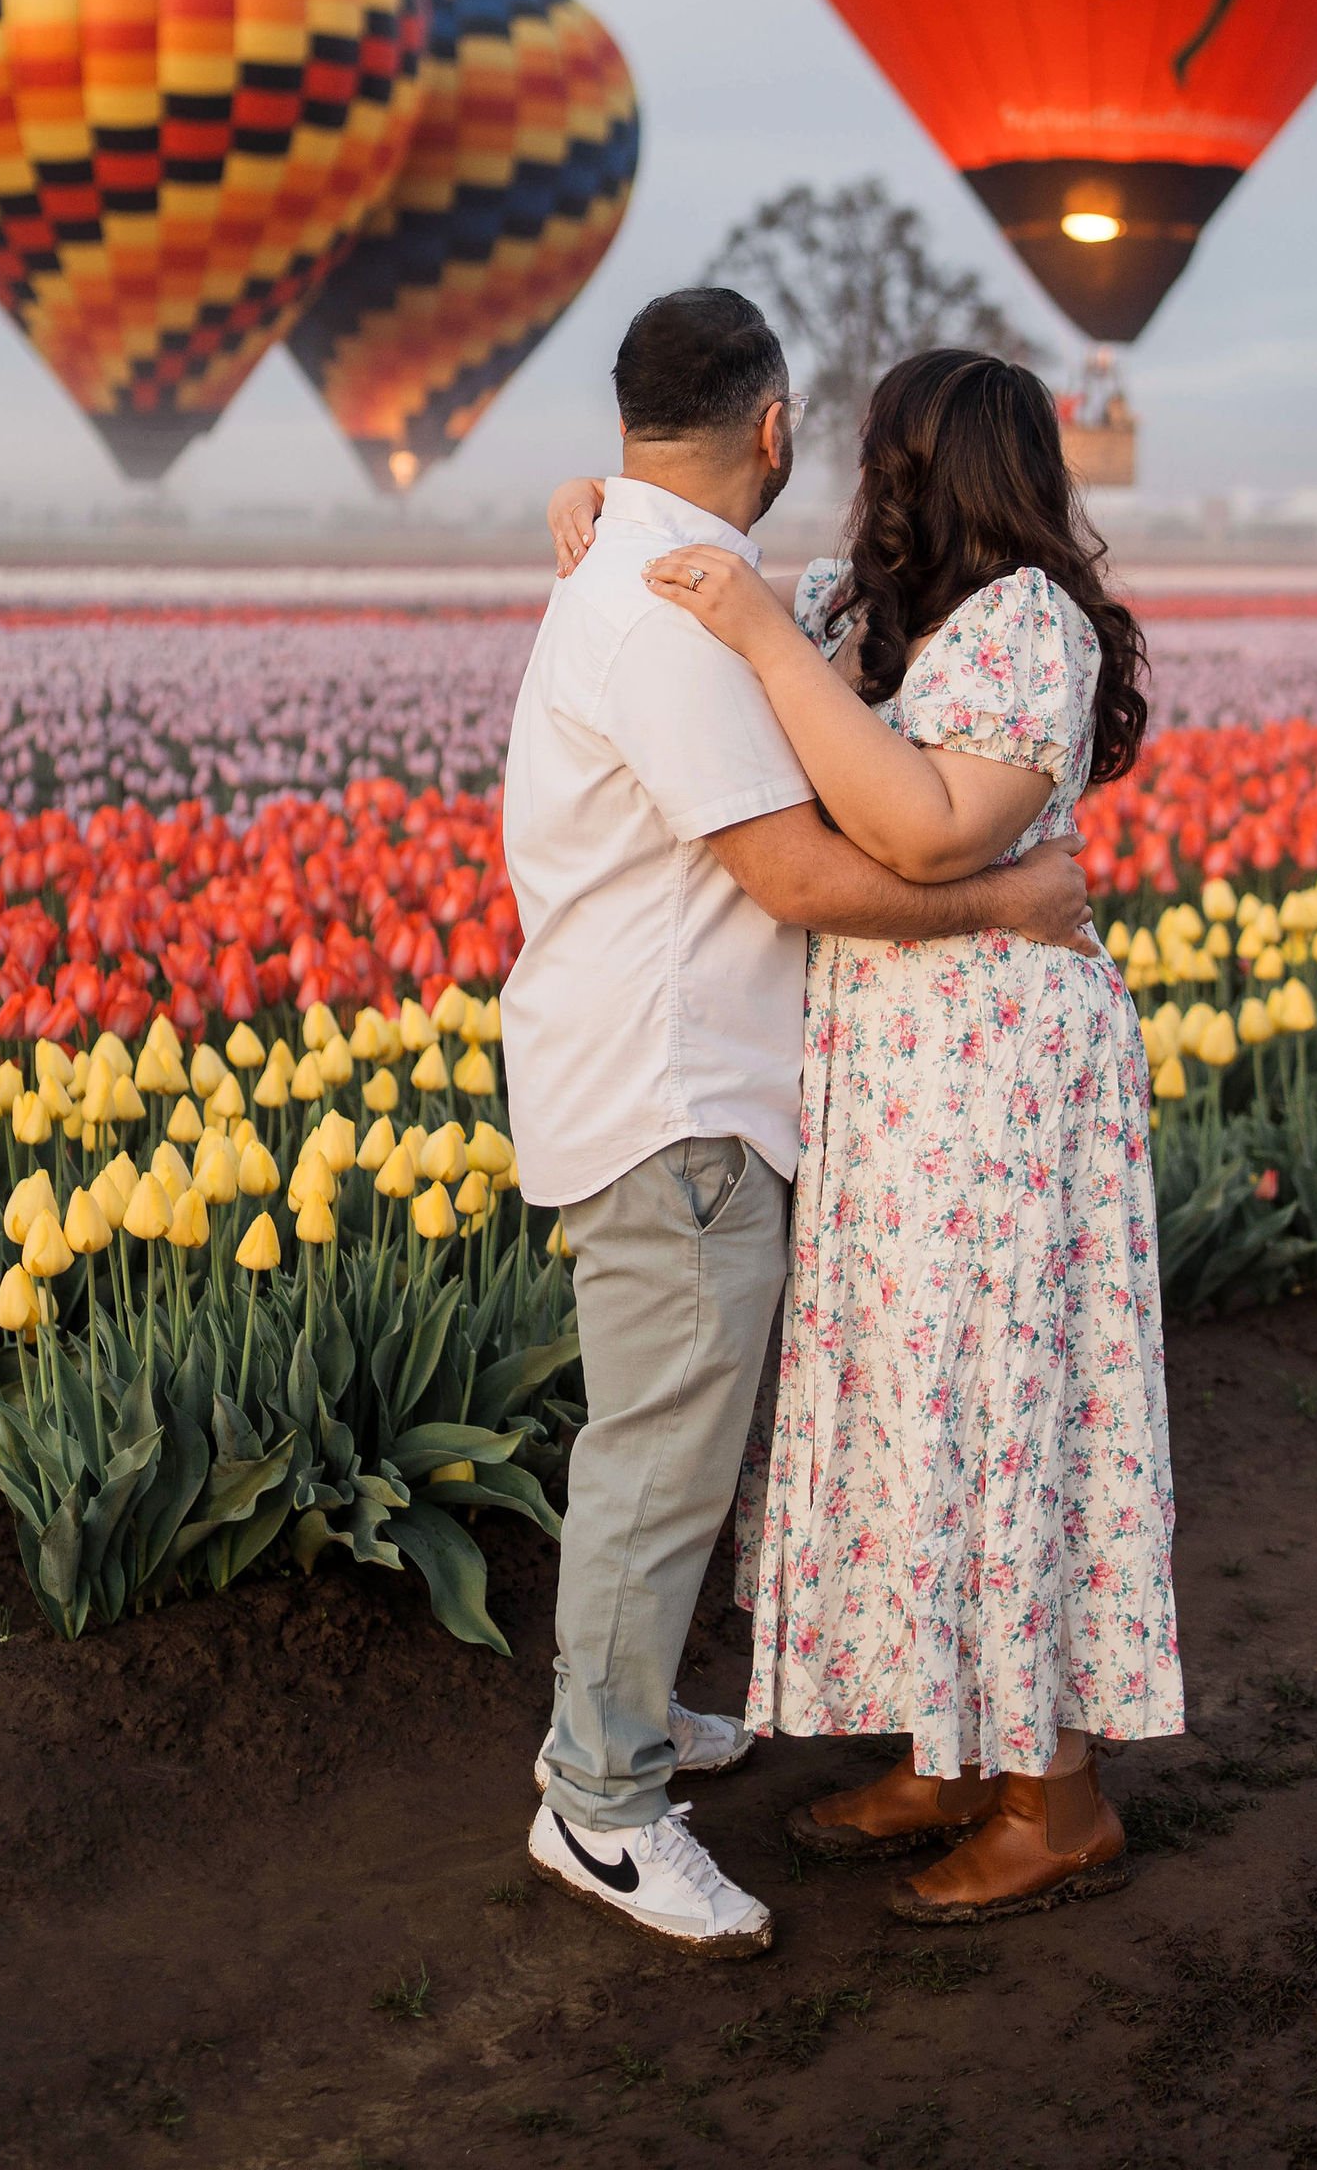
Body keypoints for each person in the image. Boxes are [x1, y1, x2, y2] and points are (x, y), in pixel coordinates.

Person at [502, 290, 1099, 1958]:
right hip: (684, 1088)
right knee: (668, 1453)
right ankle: (602, 1804)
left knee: (823, 1429)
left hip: (837, 1093)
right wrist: (1010, 901)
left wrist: (606, 508)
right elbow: (797, 869)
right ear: (769, 431)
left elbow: (868, 781)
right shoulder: (689, 605)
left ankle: (678, 1736)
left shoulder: (703, 586)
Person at [627, 346, 1182, 1925]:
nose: (871, 480)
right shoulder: (864, 617)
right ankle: (950, 1752)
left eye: (894, 455)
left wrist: (757, 633)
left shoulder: (1030, 628)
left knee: (1012, 1402)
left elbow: (924, 826)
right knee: (910, 1401)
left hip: (1009, 1087)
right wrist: (592, 511)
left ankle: (1057, 1797)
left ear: (950, 466)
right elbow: (705, 596)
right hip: (894, 1086)